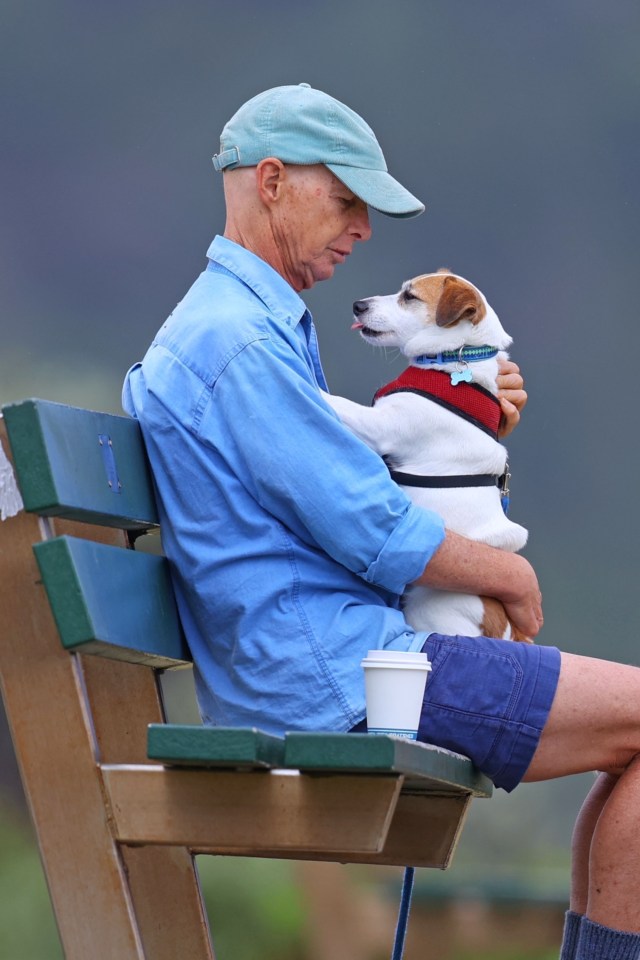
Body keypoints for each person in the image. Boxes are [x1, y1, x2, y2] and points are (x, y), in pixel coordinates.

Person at [123, 84, 640, 959]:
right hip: (346, 682)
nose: (362, 228)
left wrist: (465, 417)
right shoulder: (237, 342)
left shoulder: (246, 326)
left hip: (334, 663)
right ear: (275, 181)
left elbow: (348, 486)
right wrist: (506, 571)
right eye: (347, 200)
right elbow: (375, 531)